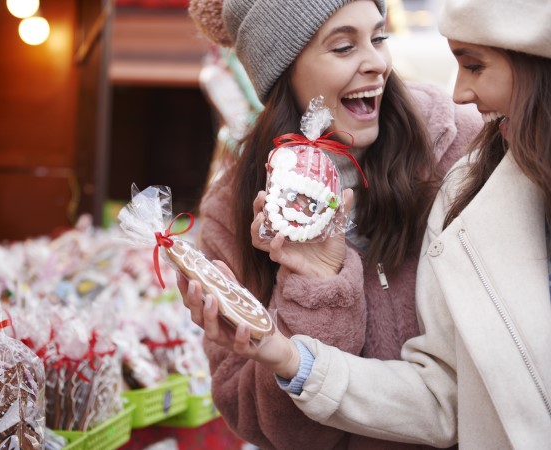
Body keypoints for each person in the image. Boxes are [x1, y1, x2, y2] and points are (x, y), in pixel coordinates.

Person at [183, 0, 551, 448]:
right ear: (283, 72)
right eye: (343, 47)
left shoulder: (469, 150)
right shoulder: (235, 210)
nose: (377, 62)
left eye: (379, 38)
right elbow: (271, 427)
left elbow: (457, 391)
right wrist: (312, 298)